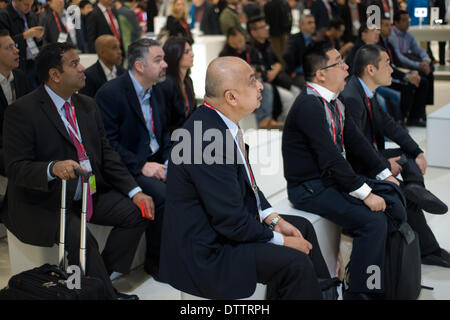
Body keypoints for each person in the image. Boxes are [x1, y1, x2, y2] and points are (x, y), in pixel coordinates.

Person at [159, 56, 332, 299]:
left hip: (221, 229)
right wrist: (280, 240)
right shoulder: (206, 139)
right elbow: (232, 222)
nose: (261, 86)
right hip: (207, 249)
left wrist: (273, 219)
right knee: (295, 261)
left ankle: (324, 293)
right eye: (252, 82)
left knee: (301, 228)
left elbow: (247, 185)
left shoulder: (219, 123)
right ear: (231, 97)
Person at [2, 42, 154, 300]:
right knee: (79, 237)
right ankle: (107, 295)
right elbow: (16, 168)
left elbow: (107, 154)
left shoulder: (87, 105)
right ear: (55, 75)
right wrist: (52, 168)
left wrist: (135, 191)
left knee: (136, 213)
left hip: (87, 191)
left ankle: (96, 282)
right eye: (74, 64)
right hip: (44, 200)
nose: (83, 68)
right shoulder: (23, 111)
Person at [282, 41, 406, 300]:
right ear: (321, 74)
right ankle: (362, 292)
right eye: (339, 62)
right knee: (373, 220)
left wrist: (385, 174)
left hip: (330, 179)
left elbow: (358, 143)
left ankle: (372, 275)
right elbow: (331, 158)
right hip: (310, 187)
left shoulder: (334, 102)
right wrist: (365, 194)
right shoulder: (309, 105)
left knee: (394, 199)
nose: (346, 66)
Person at [340, 44, 450, 268]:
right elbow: (356, 149)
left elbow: (390, 125)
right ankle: (427, 247)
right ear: (371, 69)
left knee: (407, 159)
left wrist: (417, 151)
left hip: (369, 156)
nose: (392, 69)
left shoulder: (366, 92)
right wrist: (383, 165)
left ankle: (416, 190)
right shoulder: (352, 96)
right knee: (404, 194)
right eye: (387, 64)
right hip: (357, 165)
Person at [95, 38, 171, 277]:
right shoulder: (111, 93)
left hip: (154, 161)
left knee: (192, 182)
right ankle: (156, 261)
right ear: (139, 66)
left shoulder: (157, 91)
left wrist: (168, 162)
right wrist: (142, 166)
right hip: (125, 169)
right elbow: (107, 145)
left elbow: (165, 132)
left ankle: (186, 250)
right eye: (158, 60)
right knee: (162, 197)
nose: (165, 64)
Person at [219, 27, 282, 129]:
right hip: (236, 85)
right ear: (230, 42)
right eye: (234, 43)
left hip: (255, 80)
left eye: (240, 41)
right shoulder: (225, 55)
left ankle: (266, 119)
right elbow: (224, 74)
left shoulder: (251, 51)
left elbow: (262, 68)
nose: (239, 46)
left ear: (244, 38)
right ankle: (264, 120)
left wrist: (257, 71)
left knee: (265, 87)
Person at [247, 15, 300, 122]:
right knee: (289, 98)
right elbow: (263, 74)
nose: (267, 29)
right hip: (265, 85)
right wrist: (274, 69)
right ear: (253, 32)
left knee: (297, 92)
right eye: (262, 27)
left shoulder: (267, 45)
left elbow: (279, 63)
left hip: (277, 81)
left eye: (266, 26)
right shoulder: (250, 50)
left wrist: (275, 70)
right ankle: (282, 124)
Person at [378, 16, 428, 125]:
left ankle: (416, 116)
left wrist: (410, 72)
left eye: (390, 25)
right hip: (386, 77)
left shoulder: (389, 44)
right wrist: (406, 75)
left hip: (395, 72)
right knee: (408, 85)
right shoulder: (378, 46)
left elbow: (397, 63)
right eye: (386, 25)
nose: (390, 28)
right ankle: (402, 118)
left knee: (423, 80)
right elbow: (389, 67)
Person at [388, 10, 434, 126]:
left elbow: (419, 50)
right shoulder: (392, 36)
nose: (407, 23)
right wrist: (418, 65)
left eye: (408, 20)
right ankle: (414, 115)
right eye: (404, 20)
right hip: (399, 66)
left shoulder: (408, 35)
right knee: (421, 78)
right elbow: (399, 58)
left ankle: (421, 109)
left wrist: (426, 61)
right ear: (396, 22)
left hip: (409, 64)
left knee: (429, 73)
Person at [0, 29, 29, 175]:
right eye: (9, 48)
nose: (16, 51)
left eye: (15, 45)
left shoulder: (20, 77)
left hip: (21, 145)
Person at [0, 0, 44, 89]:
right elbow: (5, 43)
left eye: (31, 5)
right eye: (26, 4)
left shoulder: (31, 15)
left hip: (35, 60)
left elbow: (37, 42)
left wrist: (39, 37)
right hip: (19, 64)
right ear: (15, 1)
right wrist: (24, 36)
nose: (29, 8)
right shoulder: (3, 16)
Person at [159, 36, 196, 134]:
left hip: (187, 137)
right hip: (172, 139)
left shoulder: (188, 81)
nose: (192, 54)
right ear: (175, 55)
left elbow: (193, 113)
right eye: (187, 52)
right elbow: (164, 123)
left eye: (191, 50)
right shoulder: (166, 84)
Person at [283, 11, 315, 89]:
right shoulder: (294, 38)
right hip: (298, 74)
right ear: (301, 26)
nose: (313, 25)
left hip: (311, 73)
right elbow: (286, 54)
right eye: (309, 23)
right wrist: (291, 71)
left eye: (314, 22)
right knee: (311, 86)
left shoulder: (313, 40)